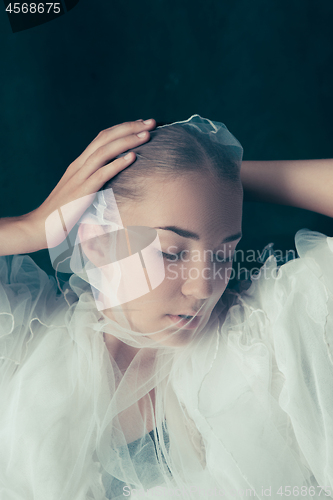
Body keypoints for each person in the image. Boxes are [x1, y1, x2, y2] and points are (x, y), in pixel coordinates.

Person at [0, 115, 332, 500]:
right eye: (172, 253)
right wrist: (30, 227)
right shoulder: (20, 339)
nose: (204, 286)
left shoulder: (258, 341)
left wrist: (218, 172)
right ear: (95, 242)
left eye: (224, 254)